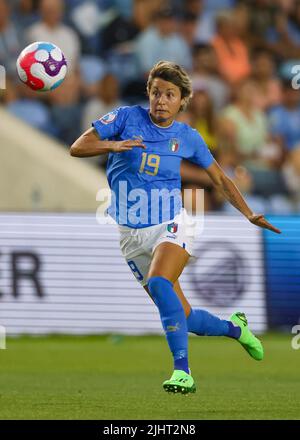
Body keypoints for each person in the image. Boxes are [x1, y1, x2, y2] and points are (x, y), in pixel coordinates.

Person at [70, 61, 281, 395]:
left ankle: (182, 371)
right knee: (183, 316)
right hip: (129, 232)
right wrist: (112, 145)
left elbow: (220, 179)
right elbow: (77, 146)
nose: (161, 100)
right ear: (148, 93)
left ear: (182, 100)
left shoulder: (187, 137)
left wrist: (249, 213)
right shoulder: (125, 118)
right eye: (156, 92)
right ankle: (236, 329)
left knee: (159, 282)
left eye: (169, 94)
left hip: (171, 222)